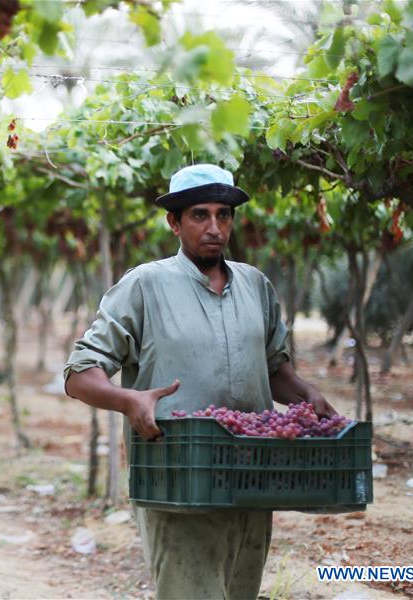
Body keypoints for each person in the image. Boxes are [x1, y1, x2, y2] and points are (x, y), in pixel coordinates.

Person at [64, 164, 336, 599]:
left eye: (223, 215)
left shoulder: (255, 286)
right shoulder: (144, 285)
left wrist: (306, 394)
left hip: (250, 477)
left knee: (239, 590)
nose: (215, 227)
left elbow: (273, 370)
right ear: (174, 222)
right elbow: (80, 374)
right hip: (178, 479)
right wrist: (128, 399)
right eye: (199, 215)